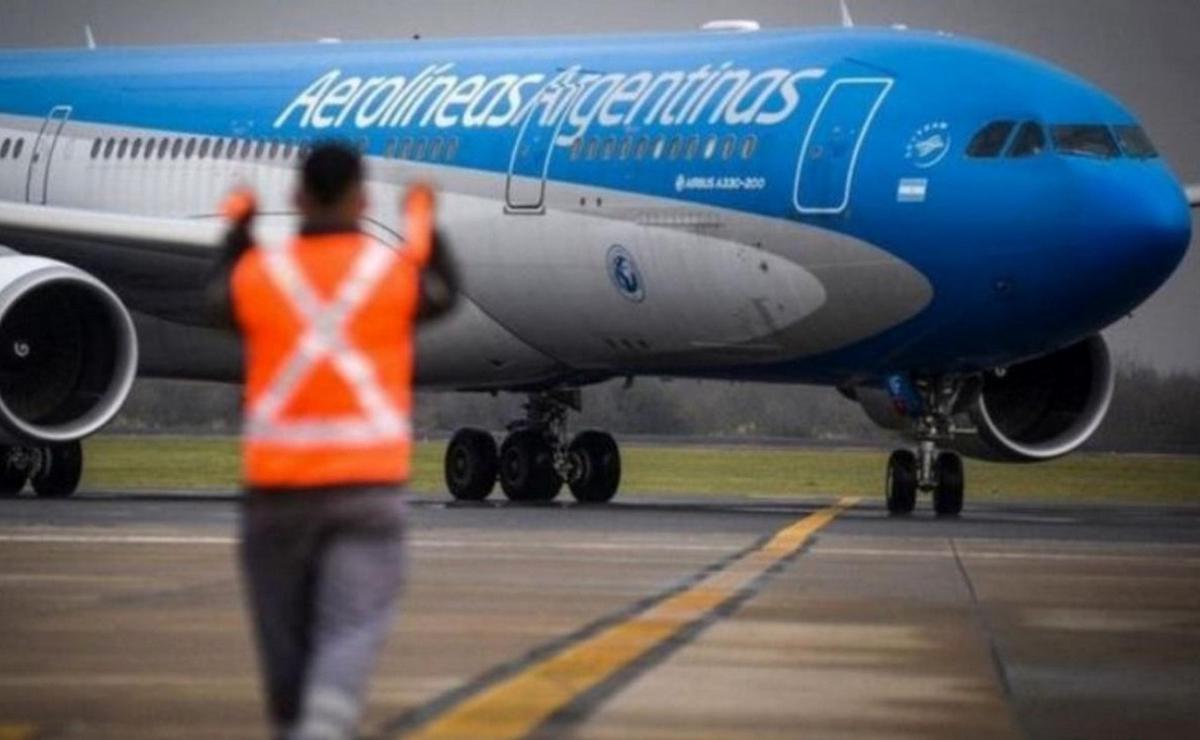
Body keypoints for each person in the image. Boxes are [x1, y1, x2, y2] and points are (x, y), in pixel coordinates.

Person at [209, 142, 457, 740]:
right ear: (362, 198)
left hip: (276, 497)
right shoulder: (387, 273)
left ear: (295, 197)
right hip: (365, 493)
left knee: (285, 644)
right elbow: (442, 288)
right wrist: (422, 217)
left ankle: (302, 725)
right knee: (349, 628)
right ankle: (323, 726)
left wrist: (238, 226)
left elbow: (219, 297)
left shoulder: (262, 272)